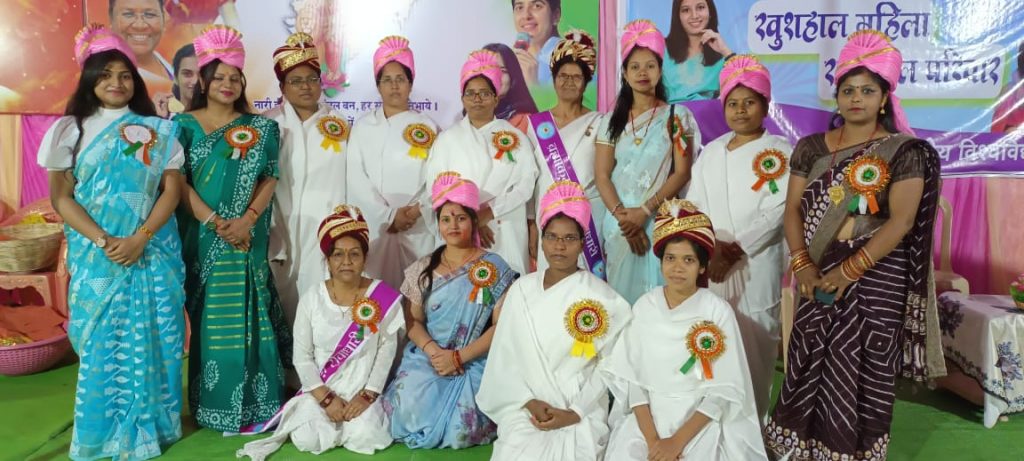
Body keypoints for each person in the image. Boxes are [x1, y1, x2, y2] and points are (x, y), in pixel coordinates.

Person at [765, 30, 945, 460]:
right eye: (848, 90)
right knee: (807, 360)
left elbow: (902, 221)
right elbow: (792, 211)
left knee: (862, 368)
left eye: (867, 90)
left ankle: (853, 452)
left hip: (876, 277)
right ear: (837, 96)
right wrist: (803, 265)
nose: (856, 99)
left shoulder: (904, 152)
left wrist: (848, 271)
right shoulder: (810, 148)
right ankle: (798, 450)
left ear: (884, 98)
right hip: (816, 271)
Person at [40, 24, 186, 460]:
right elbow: (61, 198)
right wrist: (105, 240)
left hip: (150, 254)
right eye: (105, 75)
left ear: (135, 81)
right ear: (90, 80)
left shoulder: (159, 130)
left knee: (156, 339)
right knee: (101, 343)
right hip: (98, 257)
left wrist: (140, 238)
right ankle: (101, 434)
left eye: (124, 75)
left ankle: (154, 427)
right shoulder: (69, 130)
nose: (116, 83)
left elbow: (171, 192)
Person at [176, 25, 290, 433]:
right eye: (219, 77)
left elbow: (270, 177)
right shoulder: (180, 126)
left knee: (250, 314)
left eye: (235, 78)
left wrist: (247, 221)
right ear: (203, 81)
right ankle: (213, 405)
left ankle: (260, 404)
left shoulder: (262, 128)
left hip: (246, 237)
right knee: (210, 321)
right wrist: (214, 221)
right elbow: (177, 183)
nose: (227, 84)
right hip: (203, 238)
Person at [602, 199, 767, 461]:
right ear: (660, 262)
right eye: (670, 258)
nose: (677, 268)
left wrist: (676, 443)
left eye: (688, 260)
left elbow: (723, 390)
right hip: (647, 422)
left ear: (702, 267)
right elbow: (634, 382)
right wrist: (654, 442)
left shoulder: (717, 311)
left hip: (698, 420)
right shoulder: (645, 306)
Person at [477, 181, 631, 460]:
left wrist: (576, 412)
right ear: (541, 239)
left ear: (582, 243)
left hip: (580, 407)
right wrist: (528, 401)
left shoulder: (604, 298)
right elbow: (504, 357)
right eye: (552, 237)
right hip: (525, 403)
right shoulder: (521, 290)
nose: (560, 246)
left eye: (569, 238)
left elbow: (610, 367)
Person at [237, 206, 402, 459]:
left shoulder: (382, 296)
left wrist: (367, 395)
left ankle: (354, 421)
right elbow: (302, 357)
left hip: (361, 390)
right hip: (322, 389)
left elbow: (385, 351)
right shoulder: (312, 298)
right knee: (308, 437)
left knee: (367, 436)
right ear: (328, 260)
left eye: (354, 254)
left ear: (365, 257)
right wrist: (326, 399)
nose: (346, 262)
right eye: (338, 254)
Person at [685, 54, 791, 418]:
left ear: (766, 105)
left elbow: (778, 211)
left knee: (755, 343)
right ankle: (717, 427)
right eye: (733, 103)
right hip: (712, 264)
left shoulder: (780, 152)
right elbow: (694, 206)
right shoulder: (711, 152)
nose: (741, 110)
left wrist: (735, 249)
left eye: (749, 102)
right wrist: (709, 250)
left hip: (756, 265)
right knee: (716, 343)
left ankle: (754, 428)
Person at [384, 172, 518, 449]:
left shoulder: (495, 267)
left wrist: (458, 357)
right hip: (428, 357)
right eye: (446, 219)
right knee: (407, 409)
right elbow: (413, 320)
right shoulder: (423, 268)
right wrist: (436, 354)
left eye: (460, 218)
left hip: (475, 358)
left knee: (463, 429)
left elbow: (501, 326)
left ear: (474, 221)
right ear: (438, 224)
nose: (453, 225)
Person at [595, 19, 700, 304]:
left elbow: (682, 173)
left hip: (657, 219)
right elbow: (602, 176)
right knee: (620, 303)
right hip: (619, 225)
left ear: (660, 70)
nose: (643, 73)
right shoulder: (610, 121)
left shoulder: (677, 116)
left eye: (650, 66)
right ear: (624, 73)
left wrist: (644, 212)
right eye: (635, 67)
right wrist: (624, 219)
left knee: (658, 300)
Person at [424, 50, 538, 276]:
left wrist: (491, 212)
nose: (477, 99)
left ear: (496, 98)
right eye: (471, 93)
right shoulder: (446, 140)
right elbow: (434, 191)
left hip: (505, 230)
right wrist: (472, 221)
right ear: (462, 99)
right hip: (460, 234)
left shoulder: (516, 138)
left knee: (508, 289)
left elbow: (526, 185)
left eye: (484, 93)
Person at [264, 32, 350, 325]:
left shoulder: (339, 125)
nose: (306, 86)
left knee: (321, 312)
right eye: (296, 81)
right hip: (278, 230)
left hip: (323, 232)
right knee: (277, 312)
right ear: (282, 87)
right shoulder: (268, 124)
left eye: (312, 79)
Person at [348, 35, 439, 290]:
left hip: (417, 228)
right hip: (377, 229)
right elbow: (355, 179)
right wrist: (388, 216)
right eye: (386, 80)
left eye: (400, 79)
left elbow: (437, 176)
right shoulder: (363, 127)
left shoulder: (429, 127)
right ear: (378, 86)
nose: (394, 86)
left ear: (411, 83)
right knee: (376, 297)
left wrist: (417, 211)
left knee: (418, 293)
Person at [526, 30, 605, 275]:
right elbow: (530, 179)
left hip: (589, 223)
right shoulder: (535, 124)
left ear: (586, 81)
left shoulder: (601, 122)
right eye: (563, 76)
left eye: (576, 77)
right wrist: (532, 224)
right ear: (553, 78)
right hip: (547, 219)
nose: (569, 82)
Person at [662, 0, 734, 102]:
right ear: (678, 16)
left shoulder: (723, 55)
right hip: (670, 111)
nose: (694, 15)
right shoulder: (661, 48)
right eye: (686, 10)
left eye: (700, 7)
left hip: (708, 111)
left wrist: (725, 51)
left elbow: (747, 85)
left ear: (710, 12)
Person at [108, 0, 173, 97]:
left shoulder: (164, 60)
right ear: (111, 19)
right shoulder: (105, 79)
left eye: (150, 15)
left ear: (163, 18)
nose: (140, 25)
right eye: (128, 14)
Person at [483, 43, 539, 133]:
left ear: (513, 77)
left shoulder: (530, 120)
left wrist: (535, 88)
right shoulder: (465, 119)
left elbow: (551, 142)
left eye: (503, 71)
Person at [510, 0, 562, 85]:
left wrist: (532, 85)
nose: (526, 16)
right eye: (520, 7)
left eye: (537, 6)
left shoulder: (573, 59)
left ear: (556, 15)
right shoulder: (508, 60)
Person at [170, 44, 198, 114]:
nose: (195, 81)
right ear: (175, 78)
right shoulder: (164, 116)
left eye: (202, 75)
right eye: (187, 74)